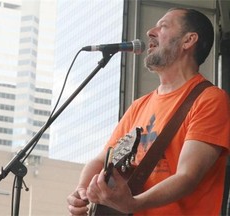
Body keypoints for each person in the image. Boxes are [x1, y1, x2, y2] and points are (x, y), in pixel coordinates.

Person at [67, 7, 230, 216]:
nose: (150, 32)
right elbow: (101, 160)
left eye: (163, 26)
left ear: (188, 41)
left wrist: (133, 203)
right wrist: (81, 192)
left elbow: (188, 176)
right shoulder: (139, 106)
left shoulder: (210, 99)